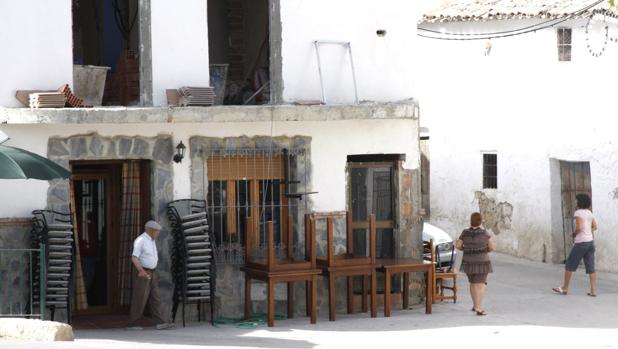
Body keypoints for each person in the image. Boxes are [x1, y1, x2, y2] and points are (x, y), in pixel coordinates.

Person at [128, 220, 174, 330]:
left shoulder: (152, 240)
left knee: (156, 297)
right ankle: (133, 323)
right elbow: (134, 257)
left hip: (152, 272)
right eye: (157, 231)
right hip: (143, 272)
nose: (158, 233)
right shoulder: (141, 240)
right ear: (151, 230)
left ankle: (160, 322)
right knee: (140, 297)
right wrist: (141, 271)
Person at [553, 193, 598, 296]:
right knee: (591, 267)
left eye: (576, 200)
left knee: (569, 264)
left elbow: (578, 228)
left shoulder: (578, 213)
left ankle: (564, 288)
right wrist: (588, 232)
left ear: (580, 202)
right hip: (590, 242)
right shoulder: (589, 212)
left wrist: (574, 234)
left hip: (581, 242)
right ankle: (593, 290)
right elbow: (595, 226)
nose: (575, 202)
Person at [456, 212, 494, 316]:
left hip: (468, 262)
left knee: (473, 283)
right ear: (480, 221)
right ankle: (478, 307)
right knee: (481, 284)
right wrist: (483, 250)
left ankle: (475, 305)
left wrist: (467, 249)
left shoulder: (465, 232)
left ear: (471, 220)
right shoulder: (485, 233)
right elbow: (491, 247)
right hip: (482, 262)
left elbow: (458, 245)